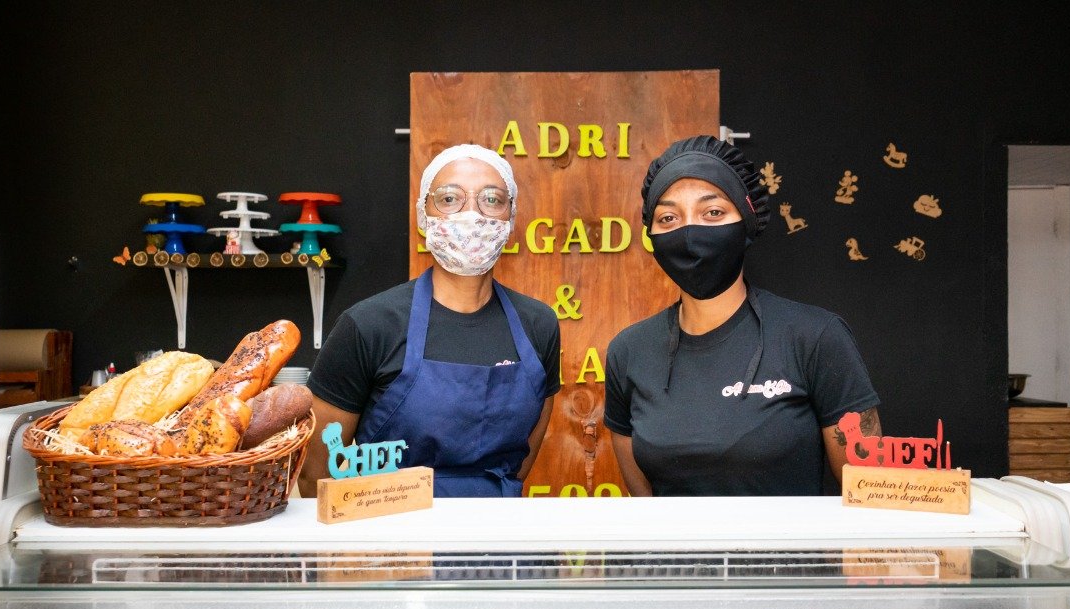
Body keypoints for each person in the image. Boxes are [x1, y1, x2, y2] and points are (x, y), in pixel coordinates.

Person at [605, 136, 881, 496]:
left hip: (786, 554)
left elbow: (870, 493)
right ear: (652, 235)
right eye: (669, 217)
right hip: (675, 554)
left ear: (747, 220)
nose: (689, 232)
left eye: (713, 213)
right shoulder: (629, 351)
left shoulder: (815, 337)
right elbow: (643, 500)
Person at [303, 144, 560, 497]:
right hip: (391, 542)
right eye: (450, 198)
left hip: (498, 538)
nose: (472, 215)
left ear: (511, 218)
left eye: (492, 199)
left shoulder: (539, 325)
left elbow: (522, 460)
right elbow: (315, 476)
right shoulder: (368, 326)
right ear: (423, 216)